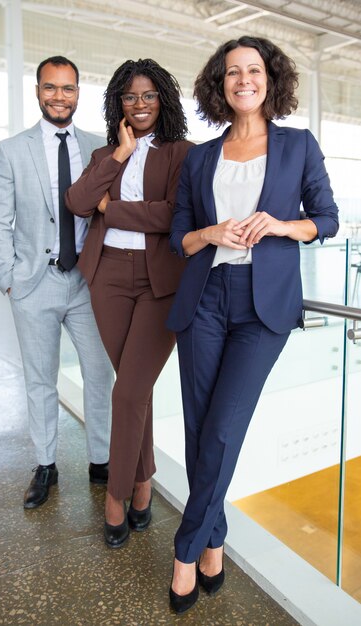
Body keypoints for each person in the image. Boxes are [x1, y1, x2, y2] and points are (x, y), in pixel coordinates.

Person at [166, 36, 339, 613]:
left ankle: (186, 549)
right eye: (233, 71)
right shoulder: (200, 157)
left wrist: (282, 226)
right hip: (205, 297)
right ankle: (214, 539)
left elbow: (327, 219)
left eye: (255, 69)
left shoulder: (297, 146)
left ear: (271, 79)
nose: (244, 79)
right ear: (220, 84)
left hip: (263, 307)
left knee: (220, 429)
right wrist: (211, 235)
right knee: (198, 427)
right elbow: (180, 237)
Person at [65, 58, 193, 548]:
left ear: (164, 99)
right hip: (108, 278)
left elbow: (174, 214)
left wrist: (113, 210)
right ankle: (143, 483)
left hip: (161, 283)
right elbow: (78, 202)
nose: (139, 105)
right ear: (118, 103)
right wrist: (120, 154)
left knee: (129, 390)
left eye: (148, 96)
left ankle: (118, 496)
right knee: (134, 390)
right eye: (130, 97)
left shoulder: (183, 153)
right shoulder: (105, 154)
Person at [0, 56, 114, 510]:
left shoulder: (101, 148)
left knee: (101, 374)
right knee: (41, 381)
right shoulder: (12, 150)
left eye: (68, 88)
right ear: (37, 91)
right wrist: (7, 277)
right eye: (51, 87)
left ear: (79, 93)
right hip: (33, 284)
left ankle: (101, 461)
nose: (60, 96)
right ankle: (46, 465)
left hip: (87, 283)